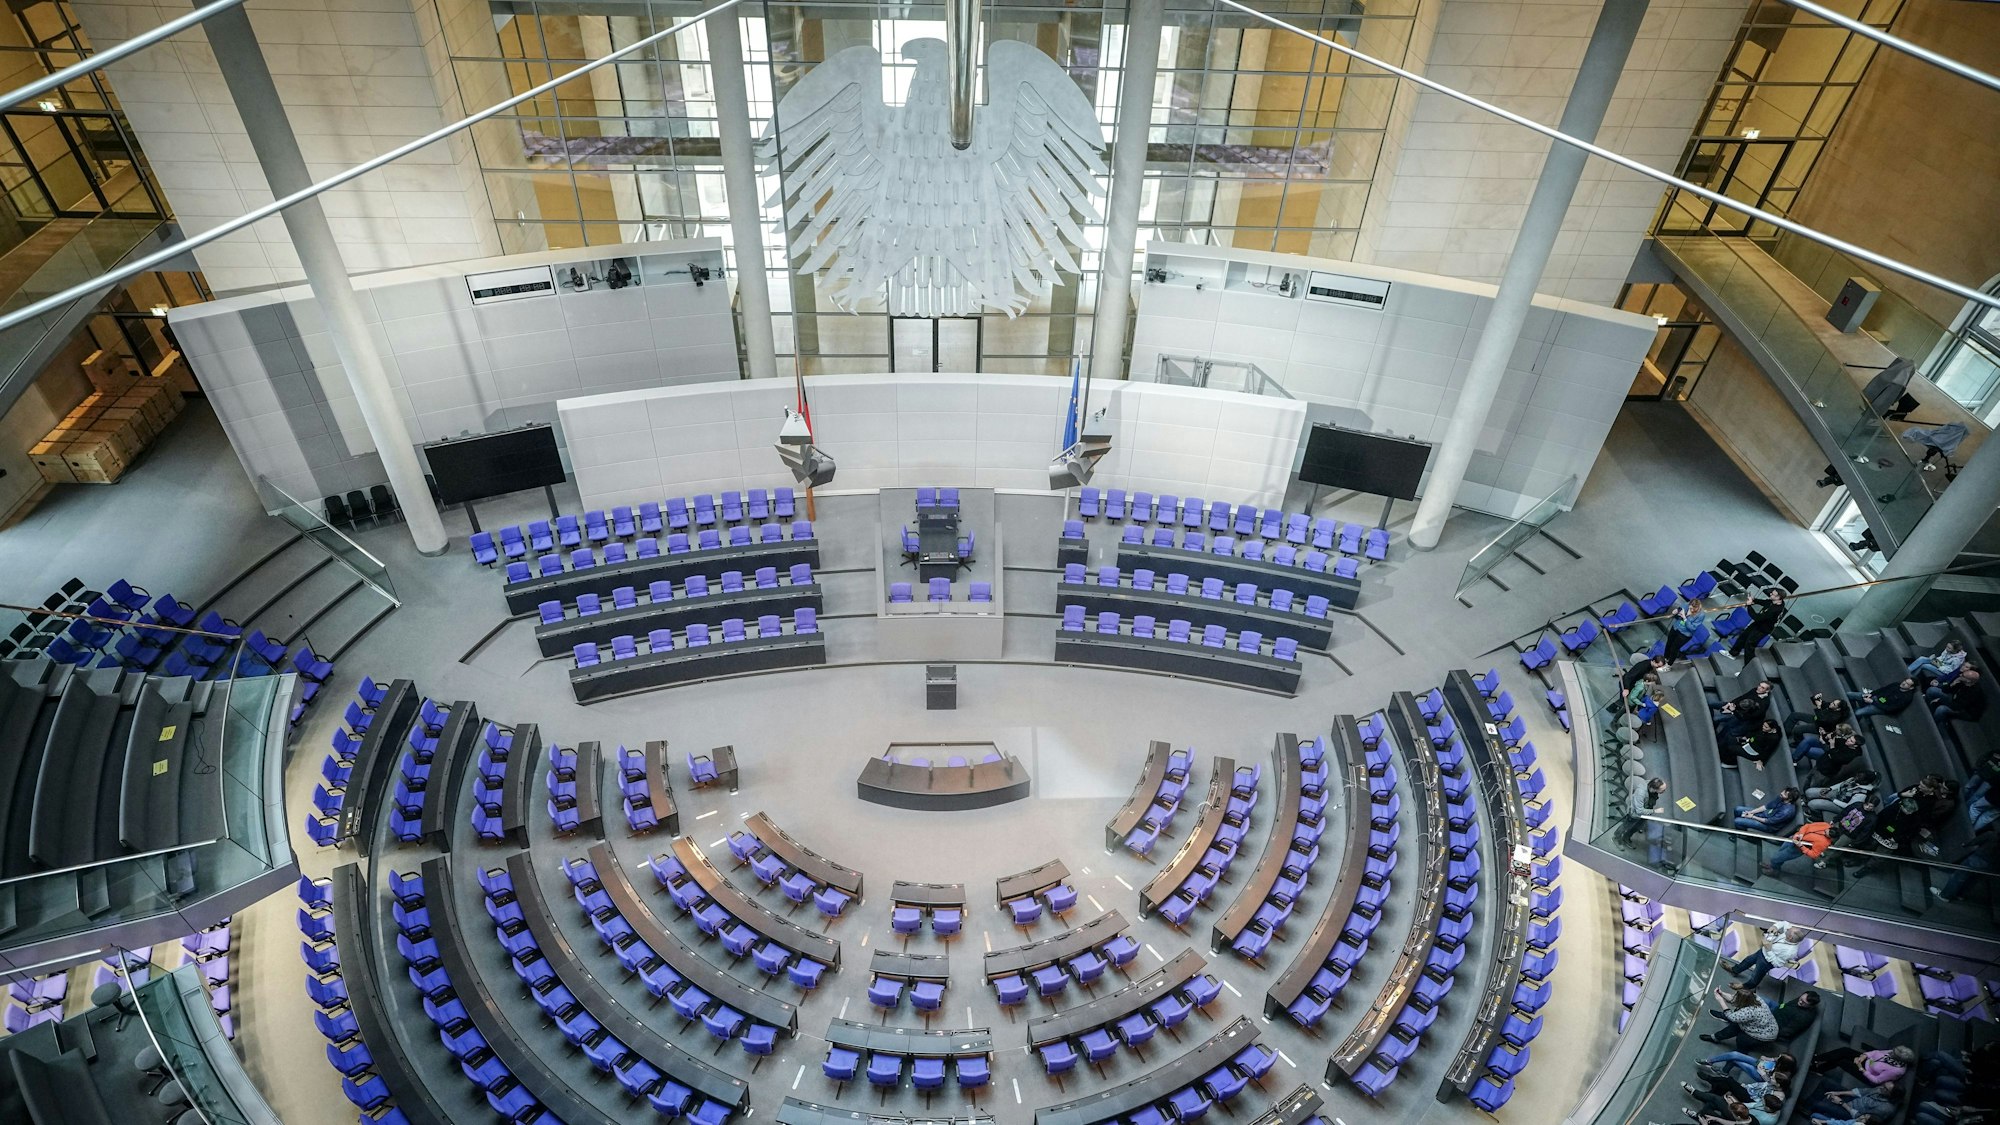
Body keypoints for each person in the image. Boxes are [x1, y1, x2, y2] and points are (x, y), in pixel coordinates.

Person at [1933, 820, 1999, 903]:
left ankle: (1945, 895)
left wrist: (1965, 845)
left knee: (1959, 876)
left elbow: (1976, 841)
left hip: (1978, 858)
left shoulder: (1992, 835)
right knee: (1973, 880)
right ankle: (1960, 894)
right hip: (1991, 865)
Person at [1725, 923, 1806, 987]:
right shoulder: (1789, 932)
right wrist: (1775, 926)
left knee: (1755, 977)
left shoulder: (1790, 952)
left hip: (1766, 962)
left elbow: (1777, 964)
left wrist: (1769, 950)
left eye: (1788, 930)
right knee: (1747, 961)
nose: (1787, 928)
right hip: (1762, 952)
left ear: (1790, 937)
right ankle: (1734, 970)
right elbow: (1784, 923)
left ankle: (1745, 987)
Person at [1701, 987, 1779, 1046]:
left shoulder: (1749, 1012)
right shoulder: (1754, 998)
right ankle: (1715, 1037)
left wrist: (1721, 1000)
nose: (1734, 996)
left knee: (1740, 1038)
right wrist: (1722, 994)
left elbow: (1732, 1017)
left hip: (1765, 1035)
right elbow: (1734, 999)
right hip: (1767, 1026)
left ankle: (1741, 1051)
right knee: (1735, 1024)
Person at [1619, 776, 1670, 866]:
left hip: (1644, 813)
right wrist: (1655, 811)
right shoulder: (1641, 793)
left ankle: (1626, 837)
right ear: (1654, 789)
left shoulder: (1651, 787)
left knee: (1637, 827)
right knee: (1625, 826)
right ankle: (1616, 838)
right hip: (1634, 814)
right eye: (1662, 790)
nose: (1664, 791)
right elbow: (1639, 811)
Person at [1729, 587, 1787, 661]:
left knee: (1749, 645)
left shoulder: (1774, 610)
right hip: (1759, 624)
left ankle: (1749, 664)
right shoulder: (1776, 602)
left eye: (1772, 594)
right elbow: (1765, 602)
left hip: (1763, 629)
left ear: (1778, 597)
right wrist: (1754, 600)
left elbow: (1757, 617)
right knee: (1744, 636)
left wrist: (1749, 605)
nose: (1770, 594)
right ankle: (1733, 653)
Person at [1812, 1045, 1913, 1086]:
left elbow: (1877, 1080)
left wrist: (1861, 1068)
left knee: (1841, 1061)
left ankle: (1818, 1069)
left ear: (1898, 1059)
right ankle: (1817, 1059)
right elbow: (1876, 1052)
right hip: (1869, 1062)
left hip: (1867, 1074)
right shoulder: (1893, 1052)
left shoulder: (1896, 1071)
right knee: (1845, 1050)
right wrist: (1864, 1056)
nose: (1890, 1052)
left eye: (1893, 1053)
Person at [1764, 820, 1832, 875]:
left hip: (1796, 849)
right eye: (1827, 830)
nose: (1824, 831)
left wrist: (1801, 846)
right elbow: (1807, 826)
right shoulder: (1826, 825)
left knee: (1775, 858)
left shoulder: (1824, 843)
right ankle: (1773, 867)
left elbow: (1814, 854)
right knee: (1780, 854)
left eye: (1826, 833)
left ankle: (1774, 871)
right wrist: (1801, 834)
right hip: (1792, 839)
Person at [1802, 771, 1879, 816]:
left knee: (1812, 804)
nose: (1855, 778)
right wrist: (1830, 788)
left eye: (1858, 778)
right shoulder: (1853, 779)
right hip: (1837, 794)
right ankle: (1807, 802)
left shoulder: (1862, 794)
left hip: (1841, 806)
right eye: (1857, 776)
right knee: (1809, 792)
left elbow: (1849, 806)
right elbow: (1841, 784)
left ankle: (1816, 816)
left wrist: (1832, 799)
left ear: (1865, 781)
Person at [1784, 692, 1851, 742]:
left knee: (1797, 730)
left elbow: (1823, 719)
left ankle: (1798, 742)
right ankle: (1785, 732)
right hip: (1816, 719)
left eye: (1833, 704)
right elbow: (1822, 704)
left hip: (1820, 727)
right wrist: (1815, 698)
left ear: (1838, 709)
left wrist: (1819, 707)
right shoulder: (1831, 706)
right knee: (1794, 715)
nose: (1831, 703)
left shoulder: (1836, 717)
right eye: (1833, 702)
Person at [1733, 789, 1800, 835]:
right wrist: (1751, 812)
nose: (1781, 793)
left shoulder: (1786, 812)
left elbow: (1768, 821)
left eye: (1784, 794)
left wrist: (1752, 816)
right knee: (1737, 809)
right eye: (1784, 791)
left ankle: (1742, 834)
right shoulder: (1781, 797)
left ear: (1789, 799)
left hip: (1769, 825)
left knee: (1737, 821)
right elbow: (1766, 807)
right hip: (1766, 814)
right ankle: (1744, 820)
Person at [1848, 677, 1916, 719]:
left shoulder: (1906, 698)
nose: (1904, 683)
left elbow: (1890, 709)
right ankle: (1852, 707)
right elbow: (1882, 689)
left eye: (1907, 684)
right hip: (1876, 698)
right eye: (1905, 681)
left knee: (1857, 713)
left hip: (1881, 708)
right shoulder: (1896, 684)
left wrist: (1873, 702)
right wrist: (1871, 694)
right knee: (1849, 694)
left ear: (1911, 688)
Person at [1669, 599, 1714, 664]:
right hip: (1676, 627)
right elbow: (1680, 609)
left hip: (1684, 634)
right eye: (1690, 608)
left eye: (1694, 609)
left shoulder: (1701, 615)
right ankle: (1666, 658)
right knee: (1669, 644)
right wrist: (1676, 611)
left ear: (1698, 607)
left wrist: (1685, 618)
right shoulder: (1686, 605)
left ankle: (1669, 664)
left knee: (1674, 649)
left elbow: (1692, 628)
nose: (1692, 610)